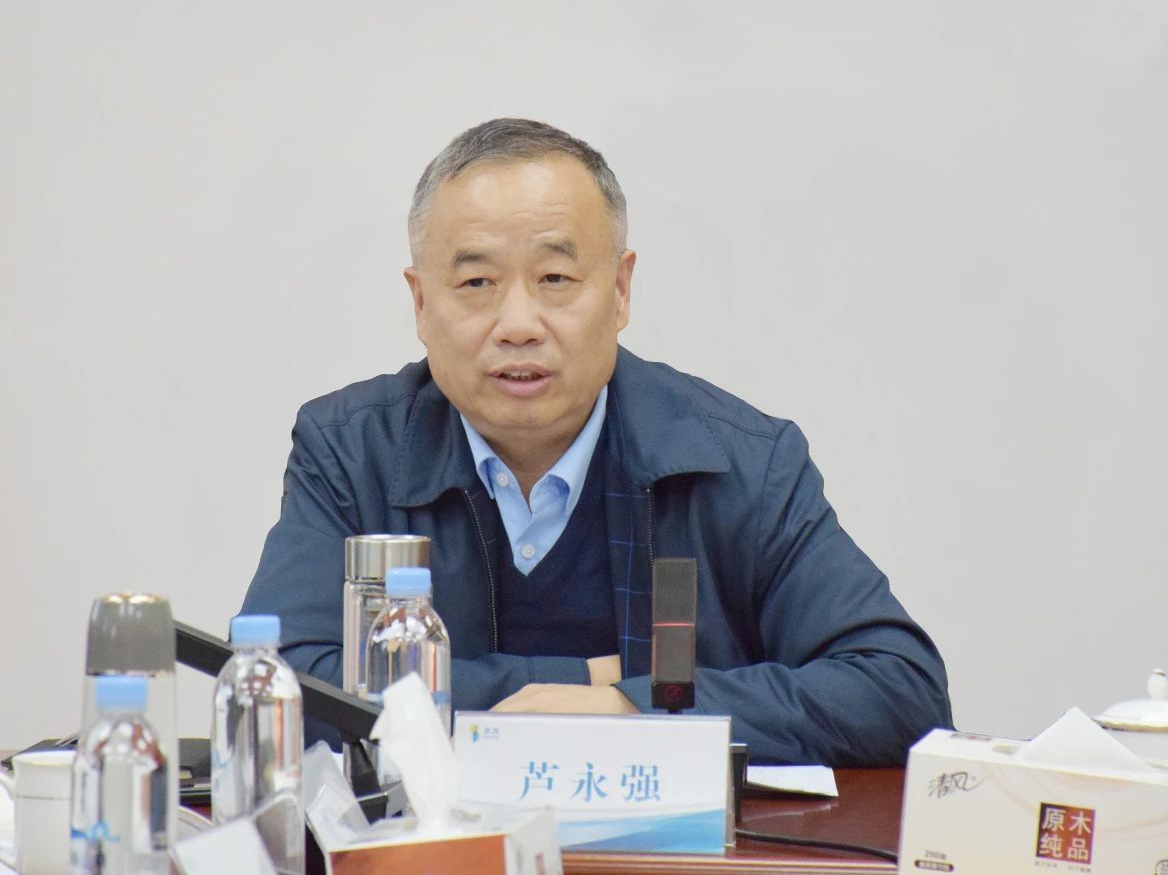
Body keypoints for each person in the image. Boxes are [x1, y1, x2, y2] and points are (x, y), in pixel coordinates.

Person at [240, 118, 952, 765]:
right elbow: (279, 691)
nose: (518, 324)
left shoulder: (740, 461)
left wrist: (631, 709)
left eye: (555, 278)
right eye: (477, 282)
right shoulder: (352, 452)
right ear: (422, 303)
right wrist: (579, 683)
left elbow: (899, 689)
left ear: (619, 291)